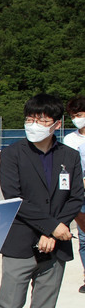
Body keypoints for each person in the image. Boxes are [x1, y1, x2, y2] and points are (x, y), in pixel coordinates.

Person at [0, 94, 83, 308]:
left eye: (41, 120)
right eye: (30, 119)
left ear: (56, 124)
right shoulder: (12, 153)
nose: (34, 125)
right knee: (8, 307)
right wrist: (50, 225)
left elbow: (77, 197)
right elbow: (16, 199)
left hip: (57, 244)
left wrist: (55, 231)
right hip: (21, 242)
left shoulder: (69, 156)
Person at [63, 95, 85, 293]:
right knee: (83, 238)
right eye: (73, 116)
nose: (76, 119)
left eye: (79, 115)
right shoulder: (69, 140)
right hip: (79, 194)